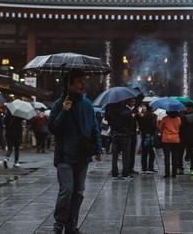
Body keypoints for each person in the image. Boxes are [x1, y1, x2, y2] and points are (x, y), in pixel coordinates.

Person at [48, 71, 102, 234]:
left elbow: (94, 128)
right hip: (64, 155)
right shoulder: (59, 104)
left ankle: (71, 226)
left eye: (83, 81)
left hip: (82, 155)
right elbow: (53, 128)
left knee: (78, 192)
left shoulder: (87, 104)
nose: (82, 85)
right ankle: (58, 226)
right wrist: (64, 111)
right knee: (67, 190)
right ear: (69, 85)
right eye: (79, 82)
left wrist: (98, 148)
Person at [108, 99, 137, 179]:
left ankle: (115, 172)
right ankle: (125, 173)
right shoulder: (127, 112)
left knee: (115, 155)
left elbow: (109, 122)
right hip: (125, 136)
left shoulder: (112, 112)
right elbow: (131, 125)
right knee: (126, 155)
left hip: (115, 135)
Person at [159, 110, 181, 178]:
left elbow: (160, 128)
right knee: (174, 157)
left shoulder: (165, 118)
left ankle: (167, 174)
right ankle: (174, 173)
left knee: (167, 157)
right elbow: (179, 127)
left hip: (166, 140)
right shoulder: (178, 118)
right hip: (175, 139)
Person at [137, 103, 157, 174]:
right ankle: (150, 167)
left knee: (144, 153)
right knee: (152, 153)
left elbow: (140, 125)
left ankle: (144, 168)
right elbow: (154, 126)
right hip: (150, 136)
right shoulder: (153, 116)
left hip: (144, 135)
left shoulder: (142, 116)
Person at [181, 103, 193, 176]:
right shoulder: (183, 115)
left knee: (192, 153)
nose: (187, 109)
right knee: (180, 153)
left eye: (189, 108)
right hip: (183, 136)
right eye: (187, 108)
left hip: (192, 137)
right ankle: (180, 167)